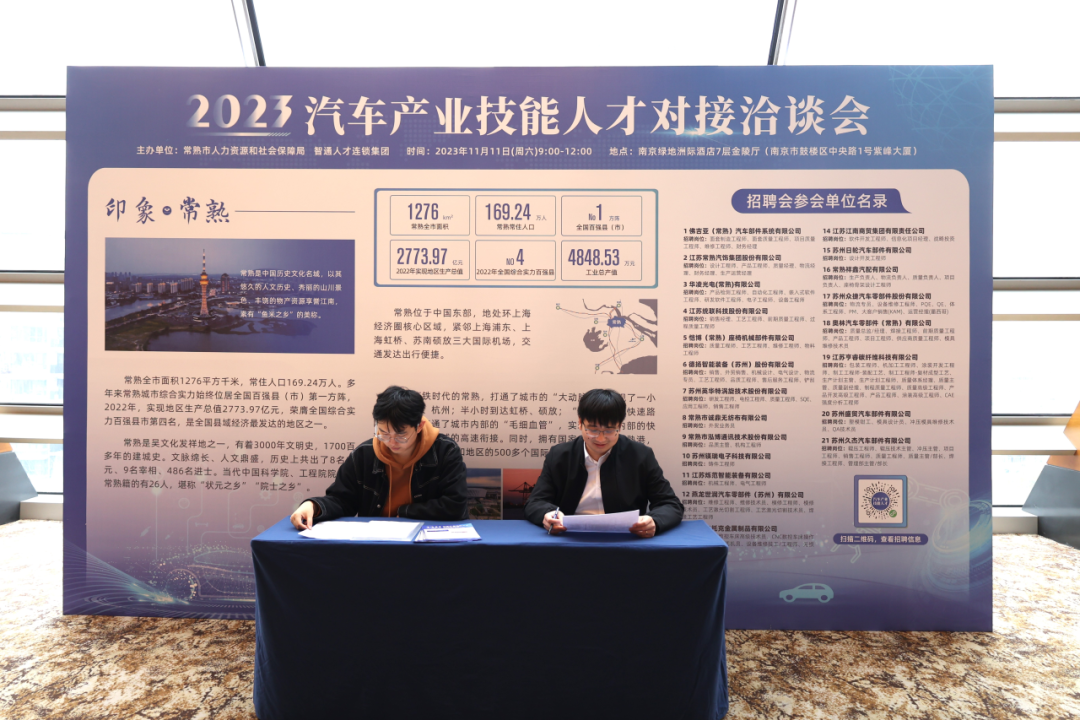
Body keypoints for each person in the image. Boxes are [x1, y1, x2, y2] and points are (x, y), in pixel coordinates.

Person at [290, 386, 467, 529]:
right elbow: (342, 500)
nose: (391, 442)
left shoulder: (445, 451)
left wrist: (405, 512)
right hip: (376, 541)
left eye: (401, 435)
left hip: (427, 538)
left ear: (419, 426)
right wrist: (313, 506)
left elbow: (455, 504)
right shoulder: (364, 455)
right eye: (383, 433)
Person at [525, 388, 683, 538]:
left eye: (609, 430)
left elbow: (670, 504)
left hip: (624, 540)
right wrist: (548, 514)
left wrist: (654, 521)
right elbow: (535, 502)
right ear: (580, 423)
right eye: (593, 430)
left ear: (620, 426)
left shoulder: (640, 456)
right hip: (568, 538)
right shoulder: (560, 456)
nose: (601, 439)